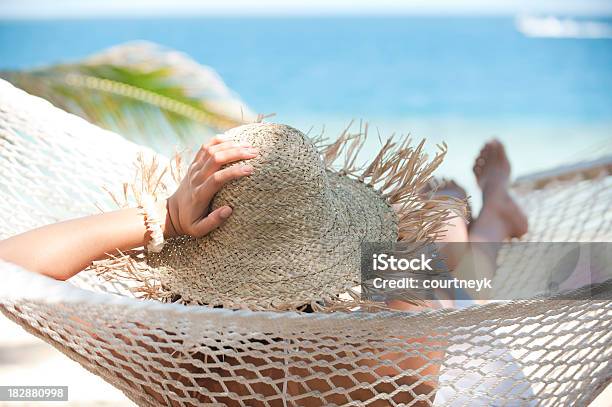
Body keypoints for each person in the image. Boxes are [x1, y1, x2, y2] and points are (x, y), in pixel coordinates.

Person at [0, 127, 528, 406]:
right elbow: (429, 271)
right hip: (473, 381)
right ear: (330, 250)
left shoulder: (177, 369)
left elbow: (10, 269)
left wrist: (162, 219)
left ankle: (487, 213)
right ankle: (491, 209)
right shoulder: (384, 361)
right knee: (444, 226)